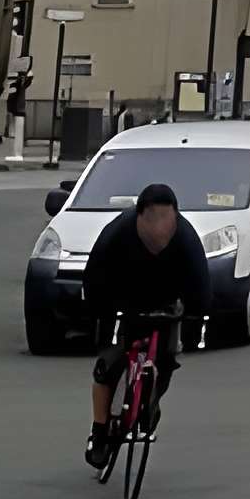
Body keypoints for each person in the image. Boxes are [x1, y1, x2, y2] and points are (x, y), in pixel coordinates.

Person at [80, 181, 212, 470]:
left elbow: (201, 286)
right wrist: (99, 314)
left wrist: (196, 323)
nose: (159, 240)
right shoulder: (117, 233)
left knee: (165, 361)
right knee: (107, 364)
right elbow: (93, 278)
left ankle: (150, 405)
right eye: (151, 236)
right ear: (138, 218)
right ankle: (99, 431)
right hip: (125, 302)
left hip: (167, 306)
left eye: (167, 232)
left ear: (176, 219)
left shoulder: (186, 239)